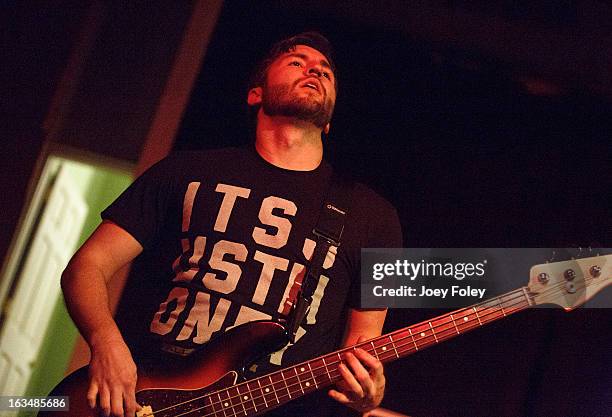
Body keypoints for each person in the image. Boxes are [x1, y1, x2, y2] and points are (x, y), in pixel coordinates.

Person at [61, 31, 402, 417]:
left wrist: (368, 394)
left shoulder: (375, 217)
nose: (315, 70)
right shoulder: (187, 171)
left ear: (329, 122)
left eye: (325, 71)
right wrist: (106, 344)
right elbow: (86, 266)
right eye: (296, 62)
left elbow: (363, 348)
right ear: (255, 93)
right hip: (149, 398)